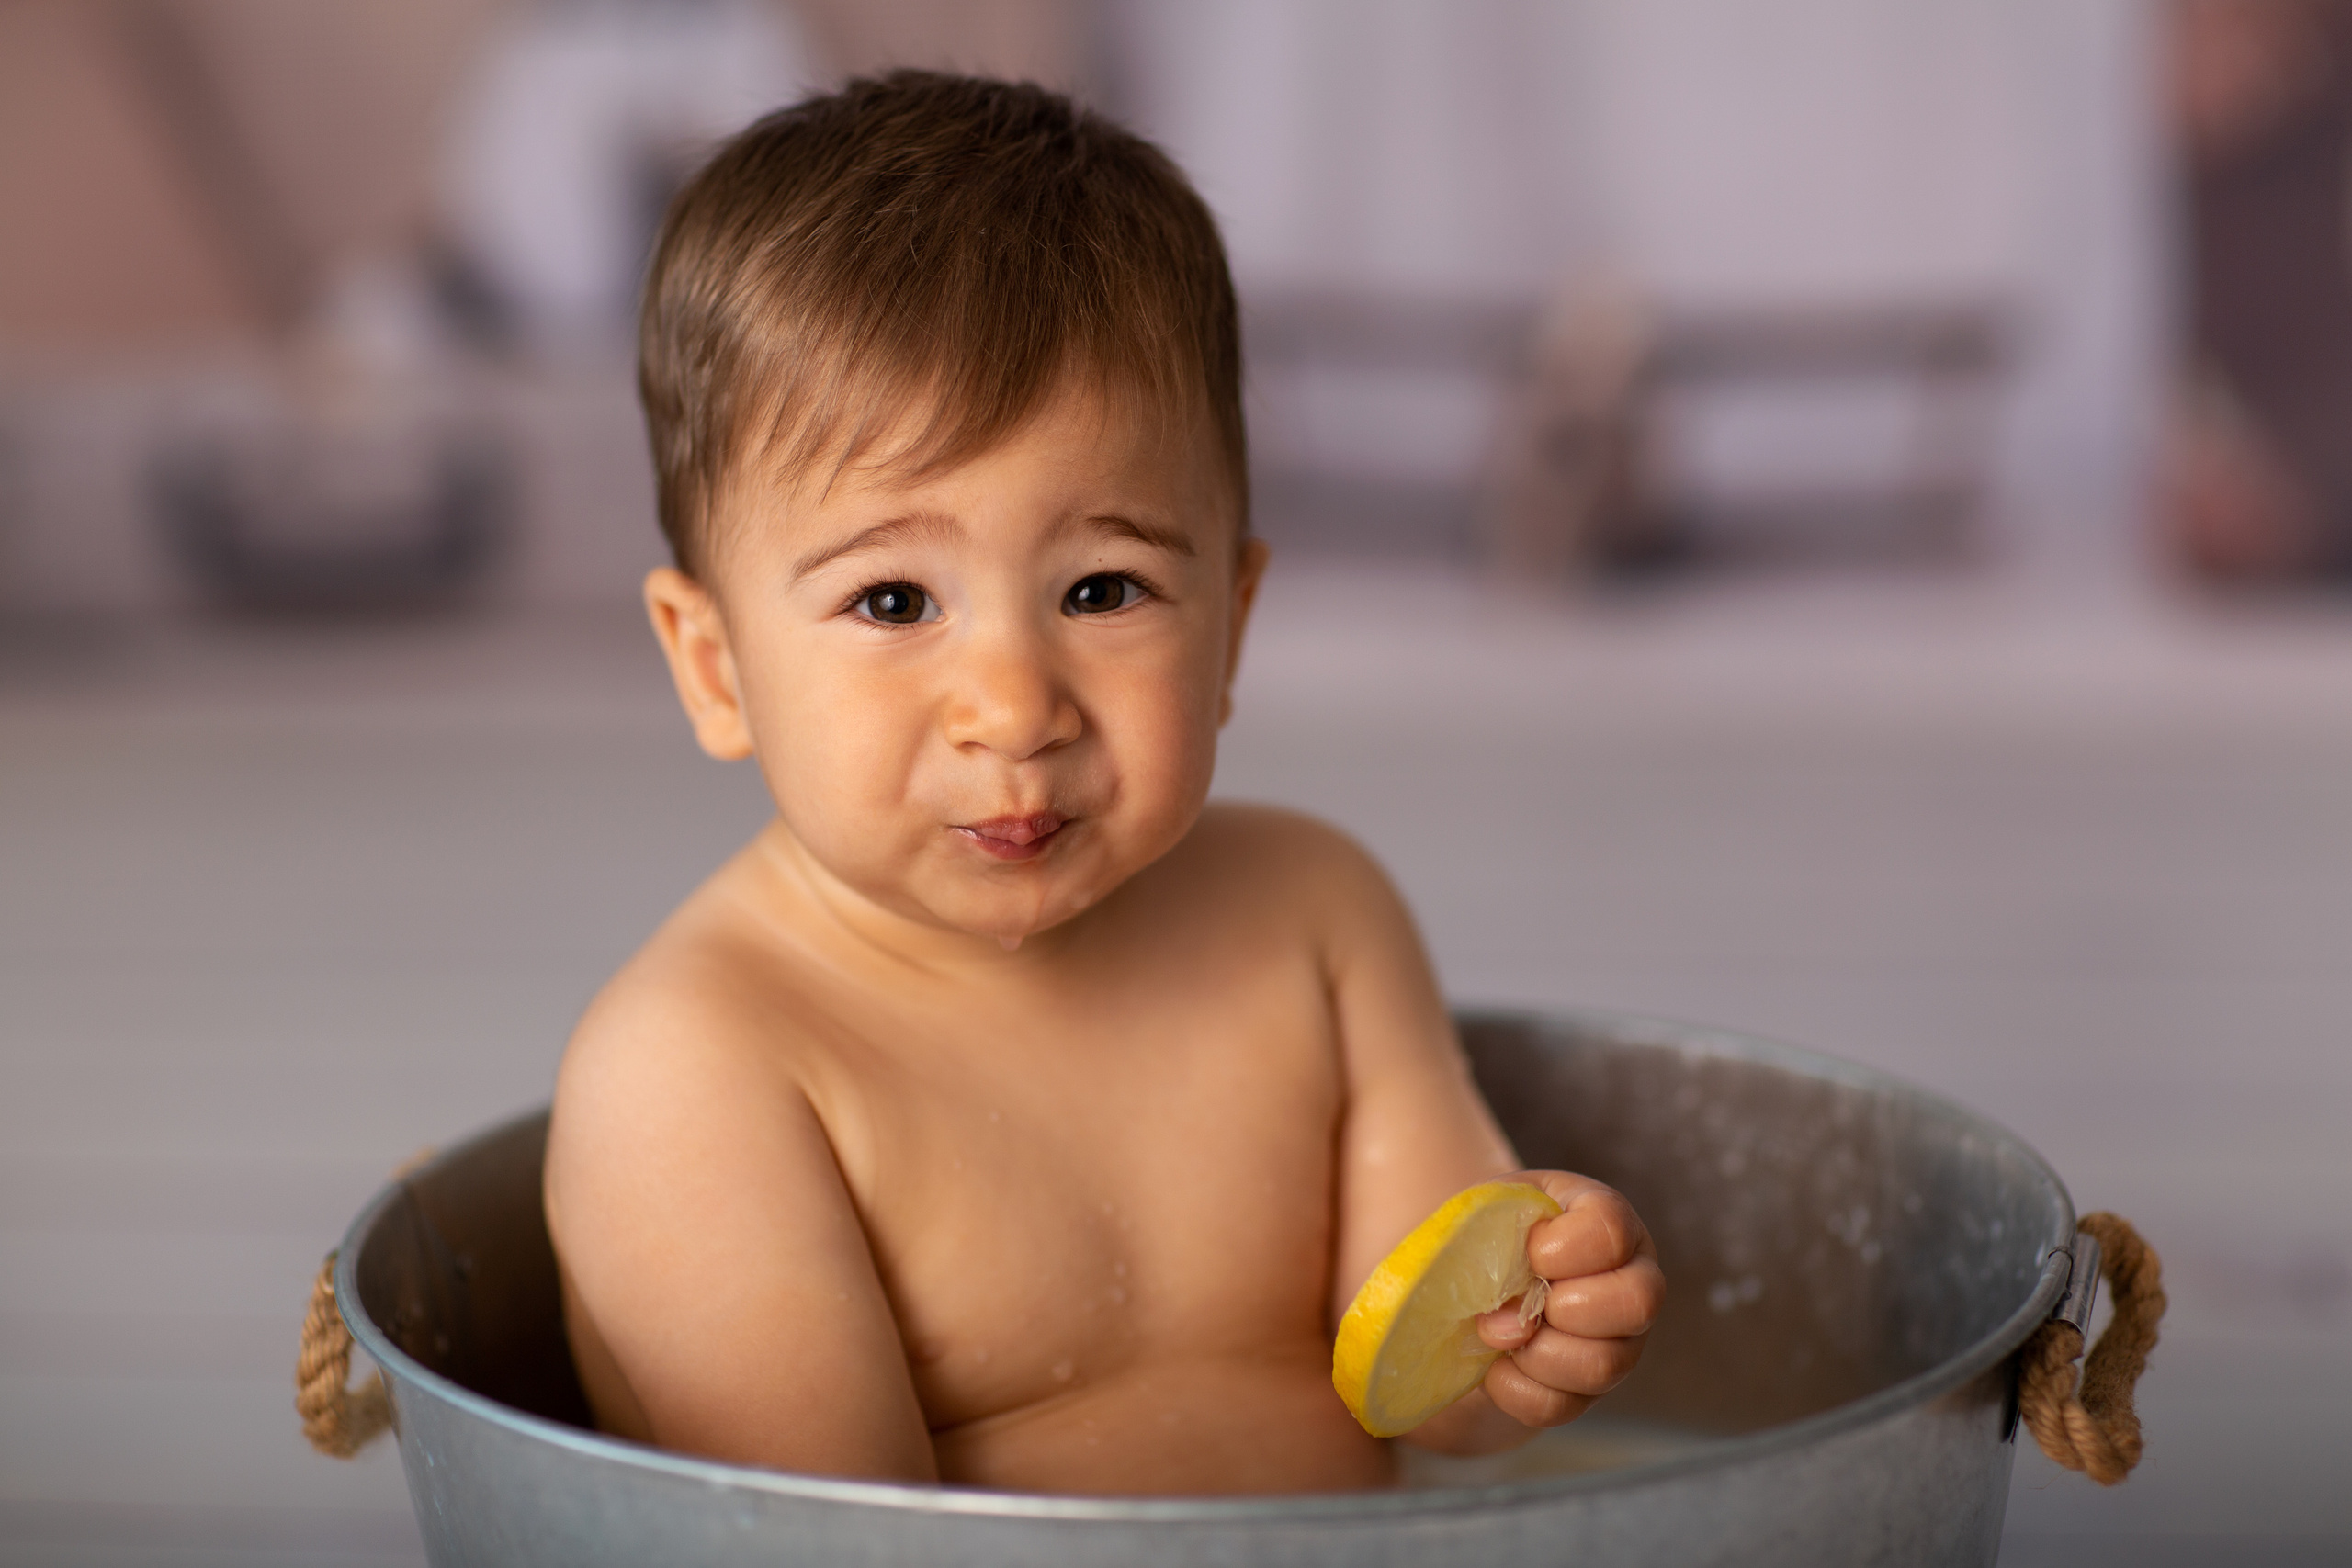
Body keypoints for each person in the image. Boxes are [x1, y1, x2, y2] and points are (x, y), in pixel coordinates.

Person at [544, 71, 1664, 1495]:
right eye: (893, 602)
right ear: (715, 667)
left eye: (1102, 586)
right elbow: (833, 1542)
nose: (1014, 706)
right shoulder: (699, 1067)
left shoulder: (1312, 916)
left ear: (1233, 628)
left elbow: (1426, 1386)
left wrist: (1531, 1324)